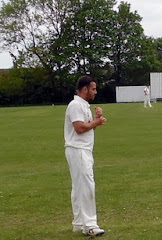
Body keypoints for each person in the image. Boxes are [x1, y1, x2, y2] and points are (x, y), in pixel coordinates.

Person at [64, 76, 106, 237]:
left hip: (83, 150)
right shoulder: (75, 105)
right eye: (93, 89)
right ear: (84, 89)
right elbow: (79, 128)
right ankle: (90, 225)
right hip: (78, 150)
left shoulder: (84, 106)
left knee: (78, 187)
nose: (95, 92)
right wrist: (97, 122)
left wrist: (95, 120)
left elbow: (87, 128)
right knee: (87, 186)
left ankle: (79, 222)